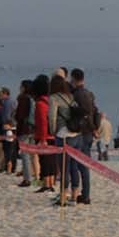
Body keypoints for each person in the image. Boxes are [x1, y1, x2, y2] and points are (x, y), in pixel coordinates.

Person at [68, 69, 98, 203]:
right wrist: (95, 127)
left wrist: (74, 111)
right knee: (83, 163)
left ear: (73, 79)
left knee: (80, 164)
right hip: (89, 131)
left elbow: (86, 112)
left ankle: (84, 194)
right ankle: (85, 193)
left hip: (82, 131)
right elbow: (95, 111)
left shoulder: (77, 94)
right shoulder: (89, 93)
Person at [48, 73, 77, 205]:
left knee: (63, 166)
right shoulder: (70, 96)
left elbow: (52, 117)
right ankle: (74, 195)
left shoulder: (54, 98)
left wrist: (53, 131)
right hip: (75, 133)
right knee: (74, 166)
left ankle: (63, 195)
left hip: (63, 133)